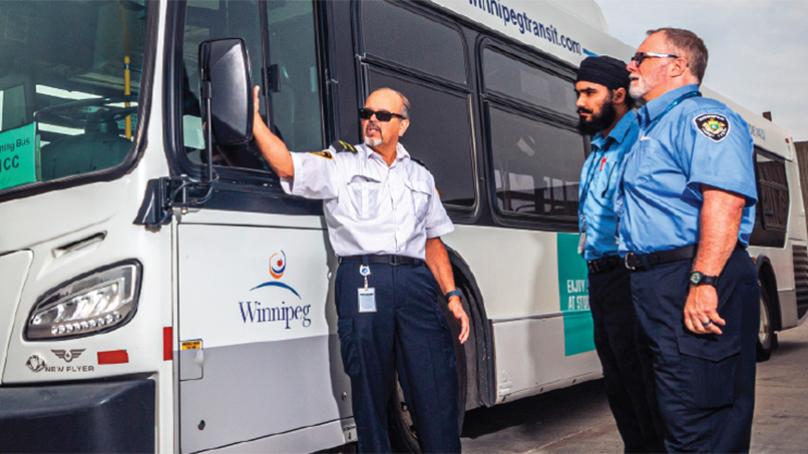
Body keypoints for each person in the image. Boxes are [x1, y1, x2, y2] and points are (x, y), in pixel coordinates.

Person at [251, 85, 470, 453]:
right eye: (367, 113)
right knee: (370, 390)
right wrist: (253, 120)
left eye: (383, 116)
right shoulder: (340, 165)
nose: (372, 121)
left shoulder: (420, 176)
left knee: (435, 384)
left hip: (417, 285)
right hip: (364, 280)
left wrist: (452, 294)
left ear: (403, 125)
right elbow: (287, 164)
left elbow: (433, 241)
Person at [619, 28, 758, 452]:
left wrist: (703, 282)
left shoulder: (702, 119)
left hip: (691, 274)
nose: (631, 65)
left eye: (640, 56)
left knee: (699, 418)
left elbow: (725, 201)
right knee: (668, 413)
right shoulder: (646, 129)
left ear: (677, 65)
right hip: (656, 283)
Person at [574, 55, 665, 453]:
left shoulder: (641, 140)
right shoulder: (596, 153)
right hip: (602, 279)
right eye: (578, 93)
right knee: (619, 384)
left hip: (631, 277)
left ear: (619, 94)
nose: (580, 102)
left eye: (589, 93)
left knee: (644, 384)